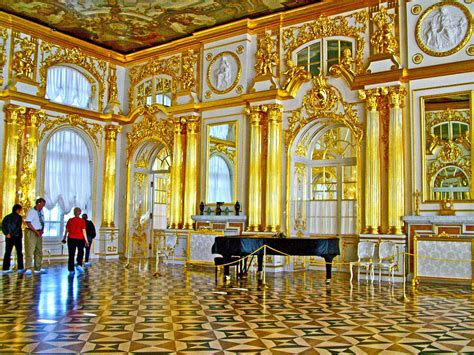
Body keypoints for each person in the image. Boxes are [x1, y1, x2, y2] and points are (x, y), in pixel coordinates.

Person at [63, 207, 89, 276]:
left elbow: (67, 230)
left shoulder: (70, 220)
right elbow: (84, 231)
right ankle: (79, 264)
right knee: (81, 252)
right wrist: (86, 241)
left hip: (71, 238)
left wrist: (64, 238)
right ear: (80, 213)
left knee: (71, 254)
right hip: (80, 239)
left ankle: (71, 269)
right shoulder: (82, 221)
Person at [25, 198, 47, 275]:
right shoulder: (31, 211)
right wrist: (35, 231)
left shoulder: (41, 211)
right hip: (31, 232)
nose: (43, 207)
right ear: (38, 203)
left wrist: (41, 230)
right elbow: (28, 222)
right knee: (30, 250)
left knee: (39, 250)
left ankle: (38, 268)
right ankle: (28, 267)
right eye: (42, 205)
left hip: (39, 232)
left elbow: (43, 221)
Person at [1, 204, 24, 274]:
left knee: (7, 252)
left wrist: (7, 234)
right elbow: (17, 228)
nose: (21, 211)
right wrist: (11, 234)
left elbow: (3, 226)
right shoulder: (19, 217)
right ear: (18, 210)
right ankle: (20, 268)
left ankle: (5, 268)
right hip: (17, 237)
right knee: (19, 253)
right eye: (20, 210)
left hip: (8, 238)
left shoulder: (6, 217)